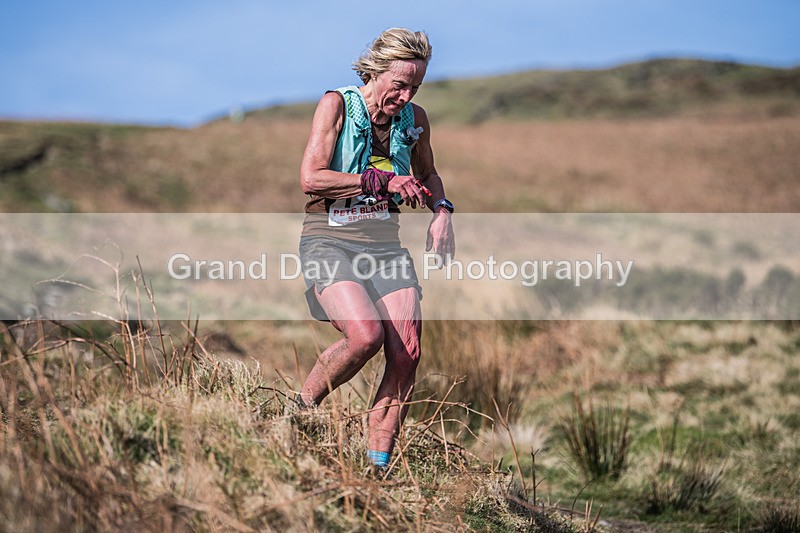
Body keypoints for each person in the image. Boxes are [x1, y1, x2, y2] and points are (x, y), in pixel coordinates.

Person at [296, 28, 455, 474]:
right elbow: (311, 178)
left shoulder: (415, 119)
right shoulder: (336, 106)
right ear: (376, 71)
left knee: (407, 352)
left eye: (415, 87)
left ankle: (377, 468)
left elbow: (430, 173)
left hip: (385, 247)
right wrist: (383, 180)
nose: (405, 96)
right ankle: (298, 412)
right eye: (399, 84)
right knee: (365, 336)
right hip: (328, 239)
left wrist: (441, 210)